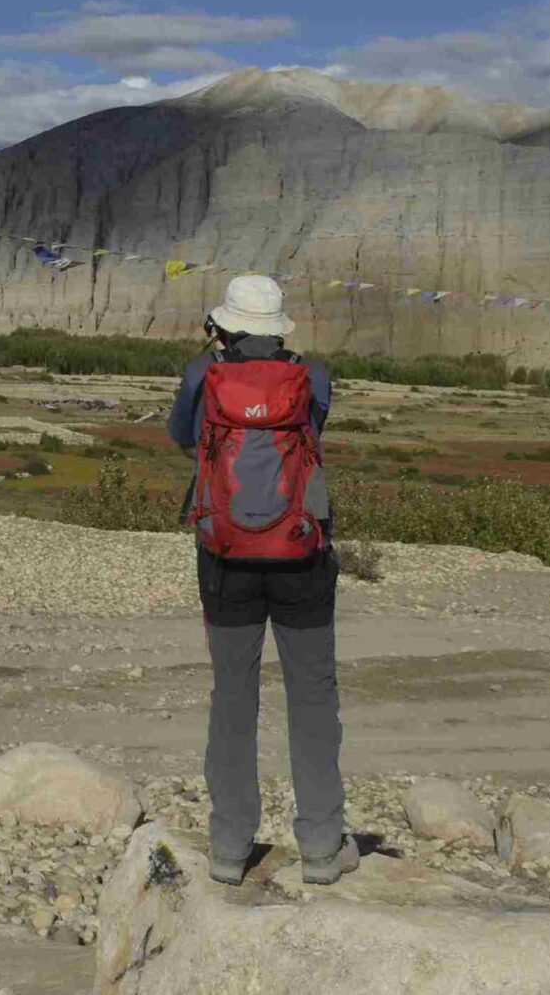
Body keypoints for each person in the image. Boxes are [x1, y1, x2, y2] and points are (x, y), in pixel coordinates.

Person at [166, 273, 355, 886]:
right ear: (278, 330)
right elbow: (314, 434)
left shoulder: (202, 375)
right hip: (301, 552)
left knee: (233, 695)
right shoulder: (314, 377)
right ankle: (324, 848)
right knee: (313, 696)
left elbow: (180, 438)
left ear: (224, 326)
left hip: (224, 555)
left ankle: (229, 846)